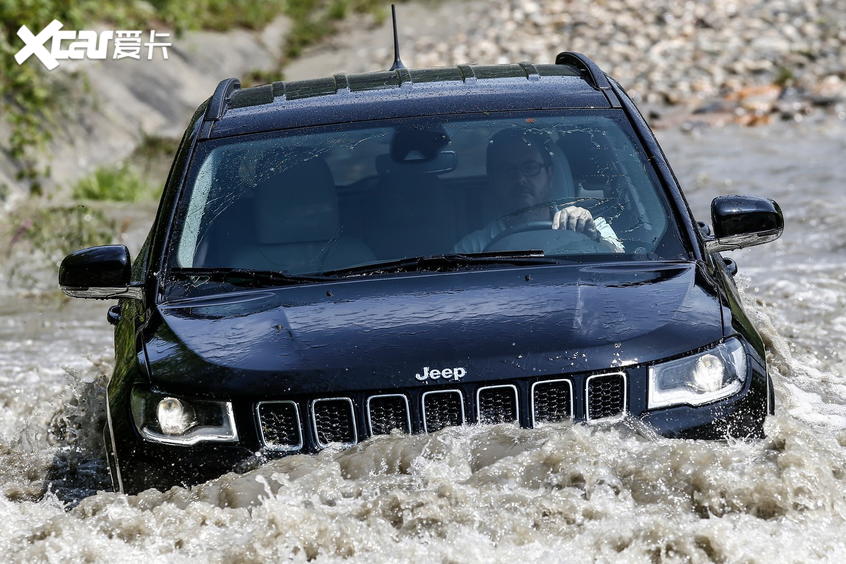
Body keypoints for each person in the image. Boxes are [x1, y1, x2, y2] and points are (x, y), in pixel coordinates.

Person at [454, 128, 624, 254]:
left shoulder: (591, 225)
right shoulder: (472, 248)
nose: (520, 179)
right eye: (507, 170)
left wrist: (593, 238)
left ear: (550, 174)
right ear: (493, 179)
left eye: (530, 167)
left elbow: (621, 271)